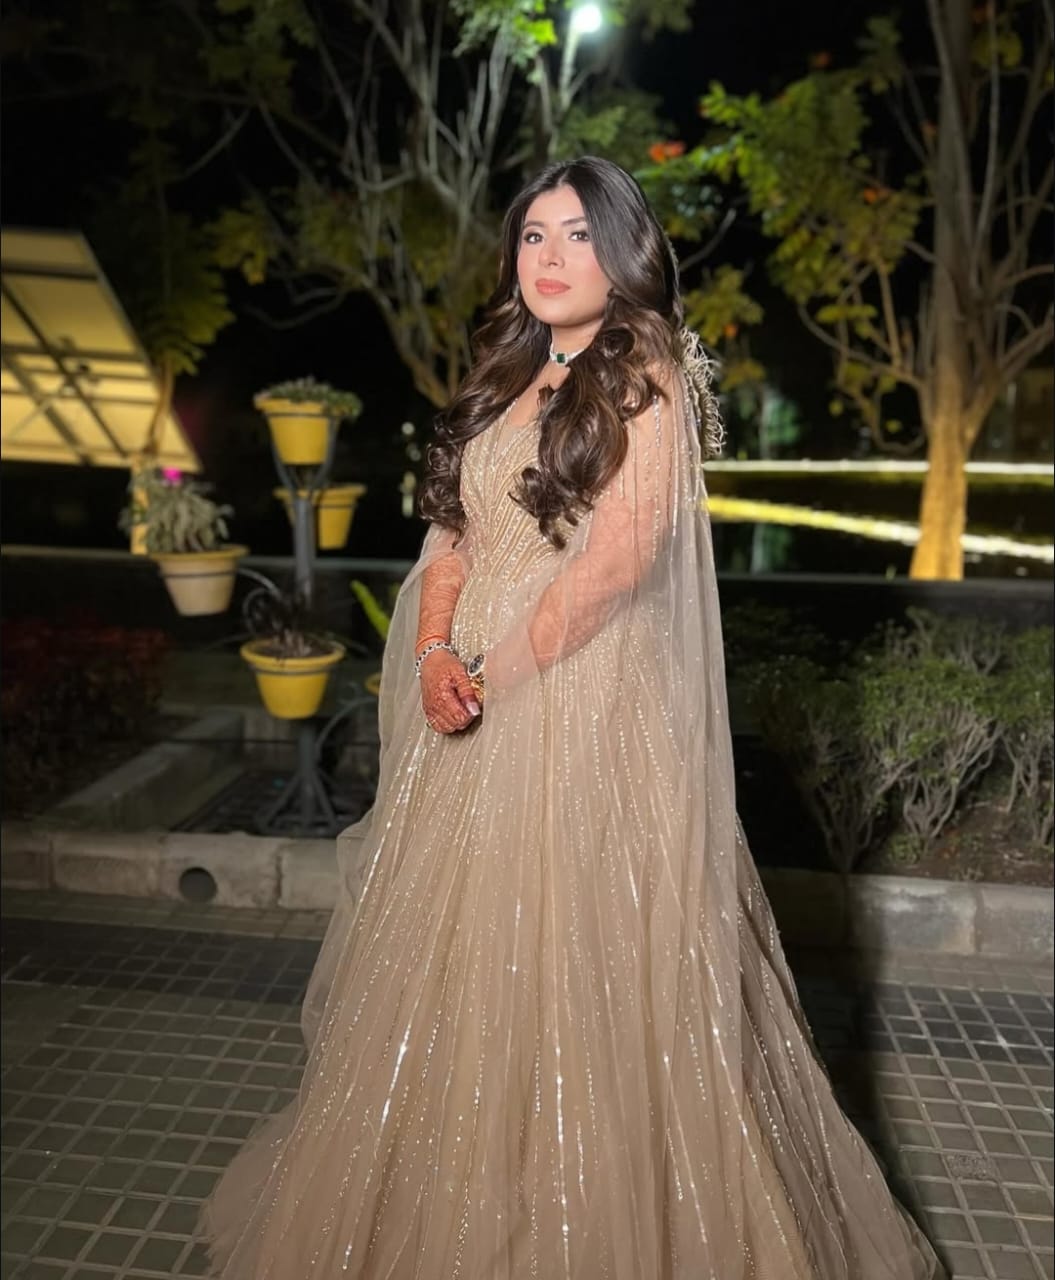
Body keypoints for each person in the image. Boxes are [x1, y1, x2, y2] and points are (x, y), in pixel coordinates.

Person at [202, 156, 946, 1279]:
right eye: (533, 236)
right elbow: (450, 531)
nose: (550, 258)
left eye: (578, 235)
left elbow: (613, 566)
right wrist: (434, 653)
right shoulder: (505, 371)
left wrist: (490, 673)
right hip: (471, 691)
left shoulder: (645, 373)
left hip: (581, 703)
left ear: (623, 251)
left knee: (586, 966)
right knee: (453, 963)